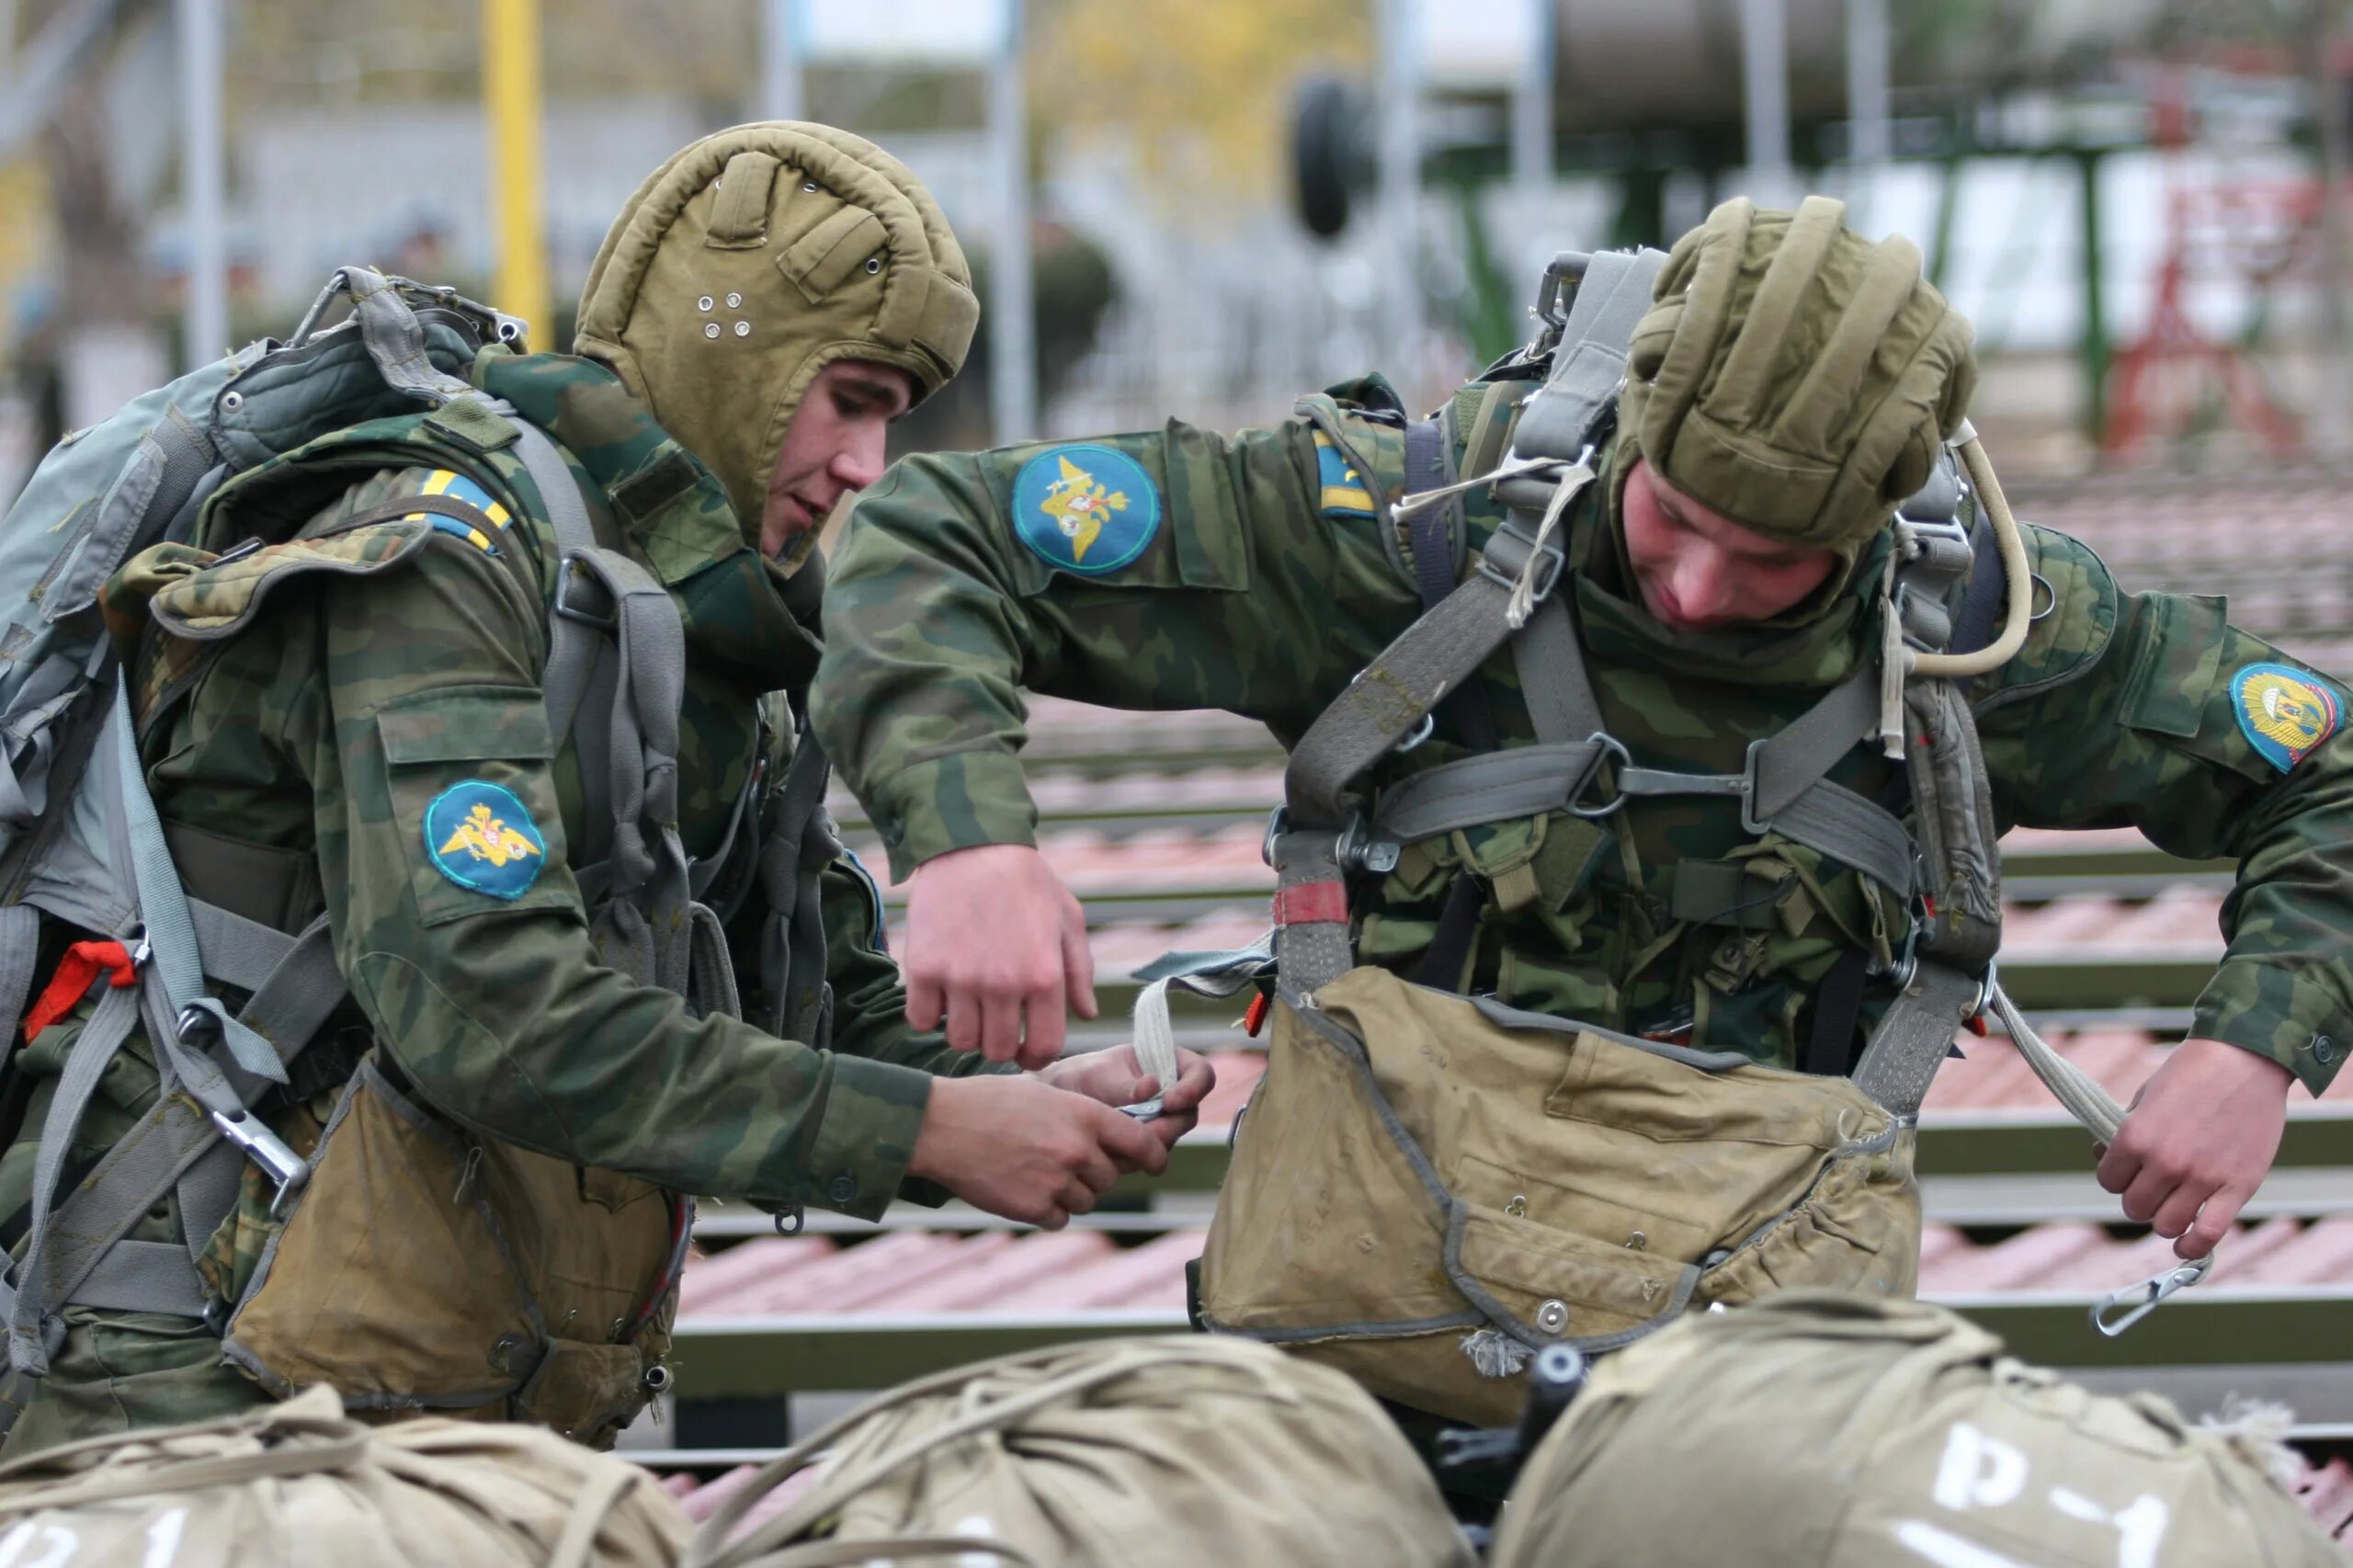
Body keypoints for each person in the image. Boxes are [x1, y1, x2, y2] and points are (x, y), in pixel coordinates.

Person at [813, 194, 2344, 1292]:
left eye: (1774, 563)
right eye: (1675, 517)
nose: (1694, 587)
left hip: (1759, 1349)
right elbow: (931, 532)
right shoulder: (1408, 534)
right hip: (1375, 1305)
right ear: (1633, 419)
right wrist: (967, 839)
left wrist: (2251, 1052)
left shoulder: (1976, 632)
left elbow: (2327, 770)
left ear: (1875, 527)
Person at [0, 120, 1210, 1455]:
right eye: (849, 398)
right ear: (729, 348)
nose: (867, 465)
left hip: (408, 1385)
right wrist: (929, 1124)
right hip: (189, 1378)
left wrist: (1015, 1106)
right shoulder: (443, 560)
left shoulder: (702, 631)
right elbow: (490, 1007)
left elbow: (802, 1003)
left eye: (893, 419)